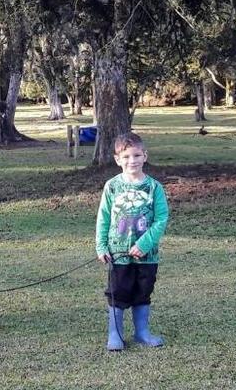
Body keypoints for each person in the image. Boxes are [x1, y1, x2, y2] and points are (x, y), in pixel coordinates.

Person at [95, 132, 169, 351]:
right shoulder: (112, 186)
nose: (132, 161)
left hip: (147, 256)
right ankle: (115, 334)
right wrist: (101, 246)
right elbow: (103, 218)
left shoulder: (154, 187)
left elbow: (161, 219)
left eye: (137, 155)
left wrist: (144, 244)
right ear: (117, 159)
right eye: (126, 156)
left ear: (145, 156)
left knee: (143, 291)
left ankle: (142, 333)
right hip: (118, 254)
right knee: (118, 291)